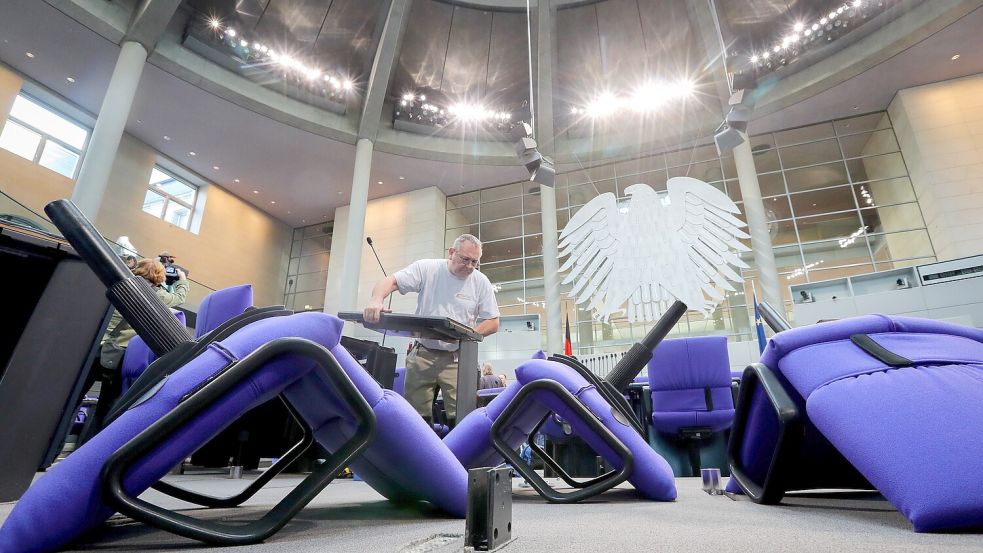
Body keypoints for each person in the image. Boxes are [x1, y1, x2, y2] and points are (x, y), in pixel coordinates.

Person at [364, 234, 500, 427]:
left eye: (474, 262)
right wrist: (376, 300)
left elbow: (493, 322)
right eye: (465, 259)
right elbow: (391, 281)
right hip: (423, 355)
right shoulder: (428, 268)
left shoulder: (481, 281)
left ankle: (458, 456)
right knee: (415, 420)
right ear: (451, 253)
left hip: (457, 358)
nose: (470, 266)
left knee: (461, 419)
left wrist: (466, 334)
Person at [77, 258, 190, 444]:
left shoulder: (120, 284)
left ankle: (49, 451)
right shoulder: (155, 295)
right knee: (106, 405)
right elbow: (179, 298)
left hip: (95, 350)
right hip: (117, 355)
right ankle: (87, 449)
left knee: (74, 399)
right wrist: (182, 279)